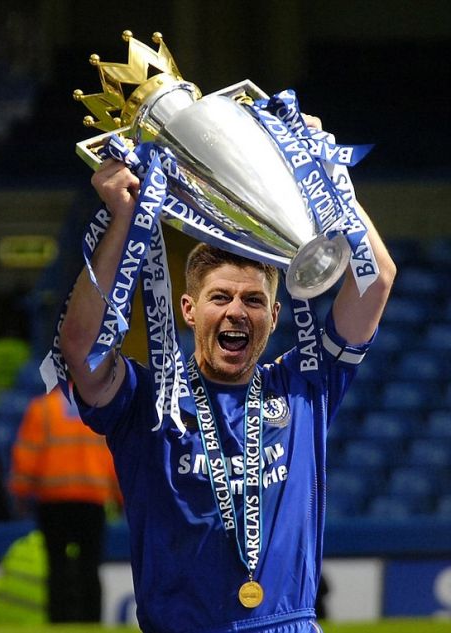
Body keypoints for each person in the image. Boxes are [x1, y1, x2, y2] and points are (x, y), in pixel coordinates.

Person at [58, 113, 396, 633]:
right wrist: (123, 217)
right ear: (189, 310)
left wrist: (325, 174)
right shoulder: (146, 402)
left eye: (254, 300)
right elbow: (80, 349)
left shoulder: (305, 386)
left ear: (276, 317)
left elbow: (375, 282)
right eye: (221, 297)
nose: (237, 311)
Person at [9, 386, 122, 623]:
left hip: (53, 499)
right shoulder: (101, 408)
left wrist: (21, 492)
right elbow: (115, 454)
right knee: (90, 566)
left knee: (57, 566)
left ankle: (59, 623)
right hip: (92, 498)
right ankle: (92, 623)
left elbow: (27, 453)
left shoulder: (43, 408)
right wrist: (120, 496)